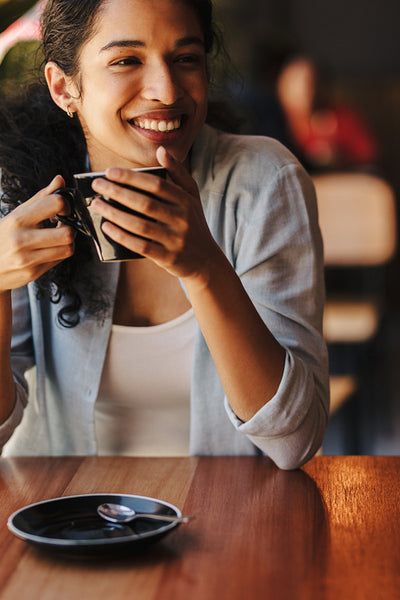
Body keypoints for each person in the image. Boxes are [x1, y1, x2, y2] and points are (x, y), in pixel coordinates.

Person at [0, 0, 329, 469]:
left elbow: (294, 440)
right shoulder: (16, 193)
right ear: (63, 86)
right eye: (126, 60)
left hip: (233, 525)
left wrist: (205, 268)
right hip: (66, 521)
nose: (167, 90)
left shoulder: (264, 181)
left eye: (186, 59)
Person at [276, 54, 378, 173]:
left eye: (311, 83)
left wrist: (339, 157)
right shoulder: (274, 120)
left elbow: (367, 156)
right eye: (294, 82)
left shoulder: (341, 118)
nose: (304, 90)